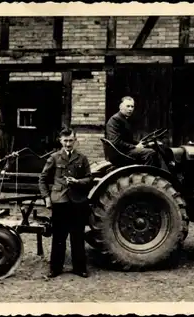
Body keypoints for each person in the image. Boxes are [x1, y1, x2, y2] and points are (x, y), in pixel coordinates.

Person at [38, 127, 93, 278]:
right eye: (65, 141)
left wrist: (77, 181)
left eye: (71, 141)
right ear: (60, 141)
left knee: (77, 236)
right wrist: (47, 198)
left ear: (75, 140)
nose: (68, 144)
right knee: (59, 237)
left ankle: (80, 268)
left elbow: (89, 179)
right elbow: (42, 179)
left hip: (77, 202)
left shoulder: (82, 158)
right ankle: (55, 268)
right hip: (60, 202)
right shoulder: (54, 158)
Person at [105, 96, 159, 166]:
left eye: (132, 106)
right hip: (120, 154)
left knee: (151, 147)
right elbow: (116, 142)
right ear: (120, 107)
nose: (130, 109)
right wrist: (134, 147)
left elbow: (127, 140)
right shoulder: (116, 120)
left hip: (123, 151)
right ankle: (149, 174)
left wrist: (142, 143)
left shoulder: (123, 119)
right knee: (150, 153)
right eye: (128, 106)